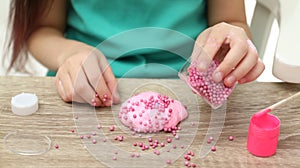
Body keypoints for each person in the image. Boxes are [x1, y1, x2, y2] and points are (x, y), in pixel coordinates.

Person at [7, 0, 264, 107]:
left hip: (194, 95)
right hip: (84, 88)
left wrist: (232, 37)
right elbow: (42, 30)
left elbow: (233, 21)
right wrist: (67, 55)